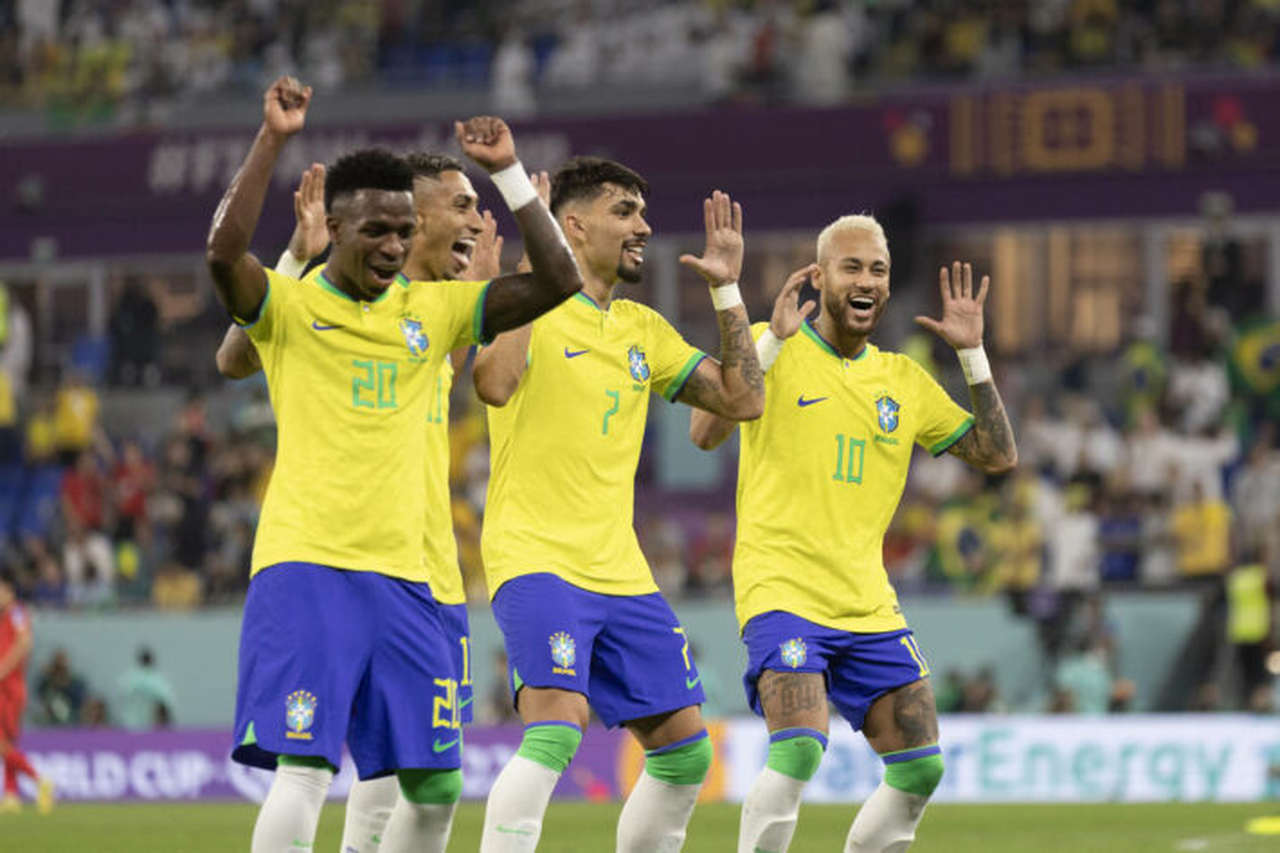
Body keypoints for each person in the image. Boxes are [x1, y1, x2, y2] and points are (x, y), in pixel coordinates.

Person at [205, 76, 582, 853]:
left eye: (401, 231)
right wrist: (273, 139)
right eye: (376, 229)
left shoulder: (432, 312)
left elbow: (558, 281)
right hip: (312, 564)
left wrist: (511, 177)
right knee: (306, 767)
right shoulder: (293, 305)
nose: (392, 244)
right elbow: (223, 258)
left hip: (415, 580)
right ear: (335, 229)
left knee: (436, 785)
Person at [690, 216, 1017, 853]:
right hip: (781, 590)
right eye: (851, 267)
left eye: (878, 270)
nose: (866, 280)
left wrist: (972, 355)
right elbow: (705, 431)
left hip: (866, 600)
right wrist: (773, 345)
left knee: (922, 765)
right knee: (800, 749)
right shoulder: (771, 344)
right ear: (819, 277)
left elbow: (998, 455)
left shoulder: (903, 381)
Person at [472, 157, 765, 852]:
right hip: (536, 554)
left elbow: (742, 400)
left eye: (641, 211)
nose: (644, 225)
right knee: (555, 726)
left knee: (687, 751)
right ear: (571, 224)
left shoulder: (642, 329)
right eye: (625, 211)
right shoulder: (530, 307)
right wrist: (526, 278)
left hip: (622, 571)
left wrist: (727, 292)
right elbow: (494, 382)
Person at [0, 572, 53, 813]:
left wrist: (2, 670)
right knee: (7, 742)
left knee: (4, 742)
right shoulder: (3, 618)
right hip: (5, 686)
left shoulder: (17, 612)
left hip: (10, 687)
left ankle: (39, 779)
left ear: (10, 591)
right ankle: (11, 794)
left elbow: (24, 643)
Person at [116, 646, 176, 730]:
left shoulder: (128, 679)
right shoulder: (158, 681)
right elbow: (168, 701)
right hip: (136, 725)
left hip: (136, 726)